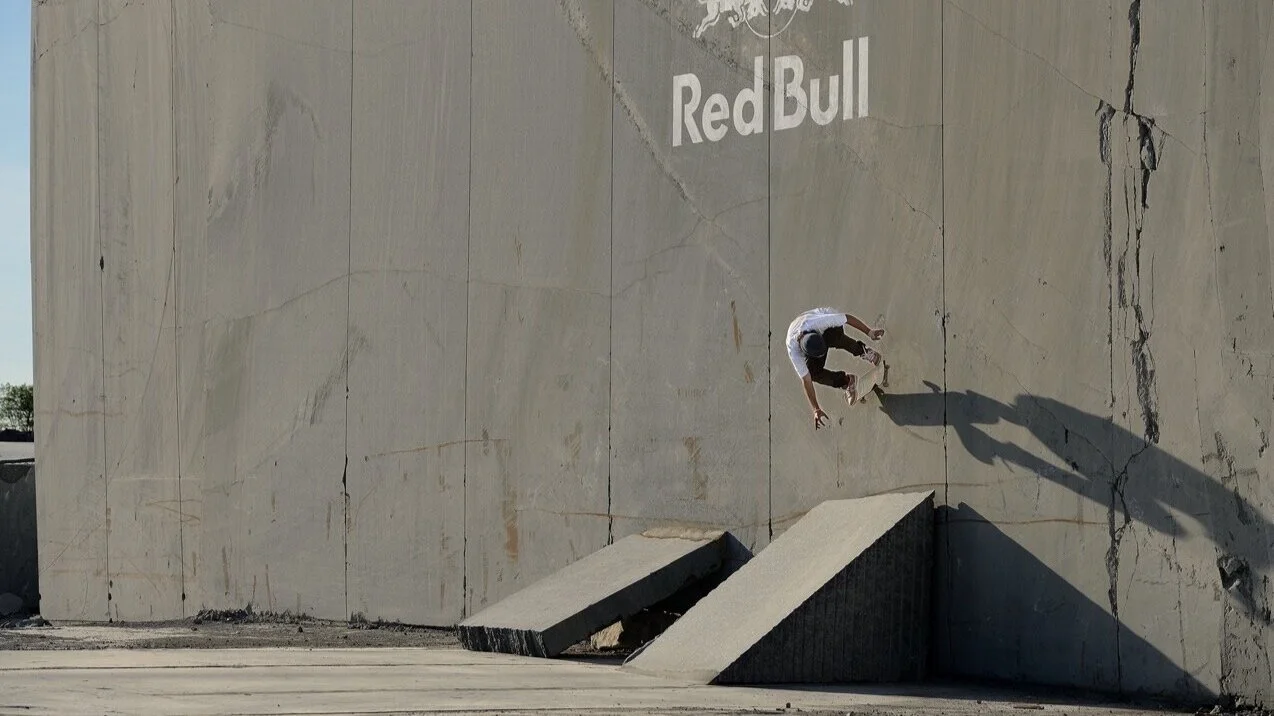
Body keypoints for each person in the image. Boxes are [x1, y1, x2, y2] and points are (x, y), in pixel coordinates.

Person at [785, 307, 885, 429]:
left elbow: (847, 318)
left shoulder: (821, 322)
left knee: (834, 335)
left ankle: (864, 351)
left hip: (825, 326)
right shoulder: (794, 352)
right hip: (808, 339)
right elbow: (806, 381)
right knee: (812, 373)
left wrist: (869, 332)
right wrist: (816, 409)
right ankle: (847, 381)